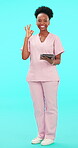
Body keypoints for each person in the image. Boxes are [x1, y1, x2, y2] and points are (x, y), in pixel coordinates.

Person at [21, 6, 64, 146]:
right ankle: (41, 134)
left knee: (51, 108)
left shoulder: (55, 38)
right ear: (36, 22)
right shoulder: (31, 39)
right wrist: (26, 38)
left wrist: (50, 59)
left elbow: (58, 60)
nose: (42, 23)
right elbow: (24, 56)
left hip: (50, 77)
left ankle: (50, 136)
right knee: (38, 108)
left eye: (45, 20)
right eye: (39, 20)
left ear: (49, 22)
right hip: (33, 77)